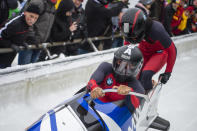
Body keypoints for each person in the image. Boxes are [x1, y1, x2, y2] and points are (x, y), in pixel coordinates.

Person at [120, 8, 177, 91]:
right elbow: (127, 47)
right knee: (131, 74)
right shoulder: (128, 29)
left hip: (159, 53)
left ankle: (145, 97)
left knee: (145, 74)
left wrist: (168, 72)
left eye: (134, 35)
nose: (132, 38)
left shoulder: (156, 29)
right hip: (143, 51)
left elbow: (172, 50)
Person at [87, 45, 145, 113]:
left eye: (130, 65)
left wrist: (129, 93)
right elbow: (92, 81)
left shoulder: (137, 87)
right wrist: (95, 87)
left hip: (113, 115)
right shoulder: (105, 67)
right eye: (120, 62)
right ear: (115, 60)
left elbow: (136, 108)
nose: (123, 68)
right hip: (94, 107)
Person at [0, 3, 40, 68]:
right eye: (31, 16)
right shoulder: (16, 23)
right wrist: (10, 45)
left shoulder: (26, 24)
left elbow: (15, 36)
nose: (32, 20)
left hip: (8, 58)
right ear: (25, 13)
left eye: (36, 18)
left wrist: (22, 43)